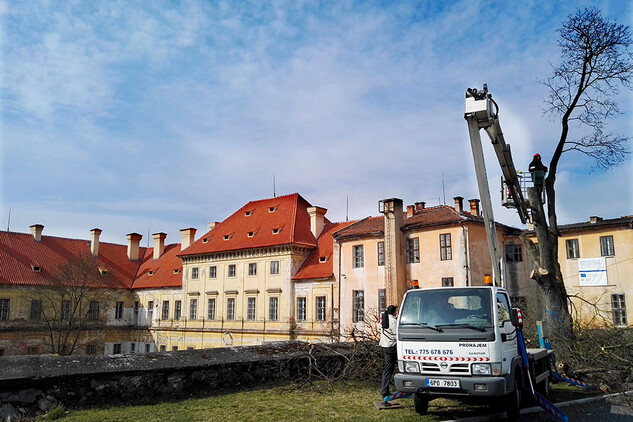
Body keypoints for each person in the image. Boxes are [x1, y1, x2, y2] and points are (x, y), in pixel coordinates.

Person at [379, 305, 398, 399]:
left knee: (387, 369)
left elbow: (380, 328)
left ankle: (384, 389)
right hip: (392, 346)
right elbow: (396, 335)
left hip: (384, 345)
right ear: (394, 312)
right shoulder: (393, 321)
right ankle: (385, 390)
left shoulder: (384, 319)